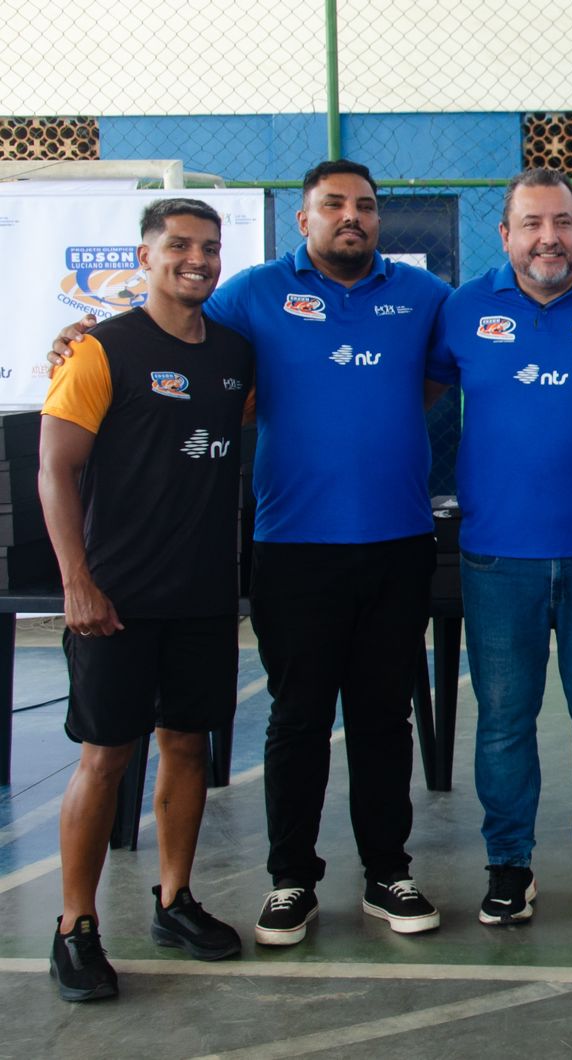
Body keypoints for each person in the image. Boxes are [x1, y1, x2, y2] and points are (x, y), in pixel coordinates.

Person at [52, 160, 451, 944]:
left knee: (383, 717)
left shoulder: (425, 295)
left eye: (366, 206)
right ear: (302, 220)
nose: (352, 216)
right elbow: (170, 327)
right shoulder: (252, 293)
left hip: (398, 541)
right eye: (333, 204)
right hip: (292, 546)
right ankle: (291, 880)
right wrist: (79, 337)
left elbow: (444, 370)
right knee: (297, 719)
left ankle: (388, 874)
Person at [426, 168, 572, 925]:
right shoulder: (463, 310)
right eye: (531, 224)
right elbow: (422, 388)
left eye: (562, 222)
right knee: (503, 721)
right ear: (505, 235)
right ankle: (508, 863)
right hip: (498, 558)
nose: (548, 238)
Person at [40, 198, 252, 1000]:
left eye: (210, 247)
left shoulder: (234, 354)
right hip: (116, 597)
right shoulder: (102, 350)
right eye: (179, 246)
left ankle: (175, 900)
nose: (197, 259)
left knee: (188, 746)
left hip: (201, 593)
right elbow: (54, 469)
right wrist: (77, 582)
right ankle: (75, 925)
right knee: (105, 757)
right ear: (144, 256)